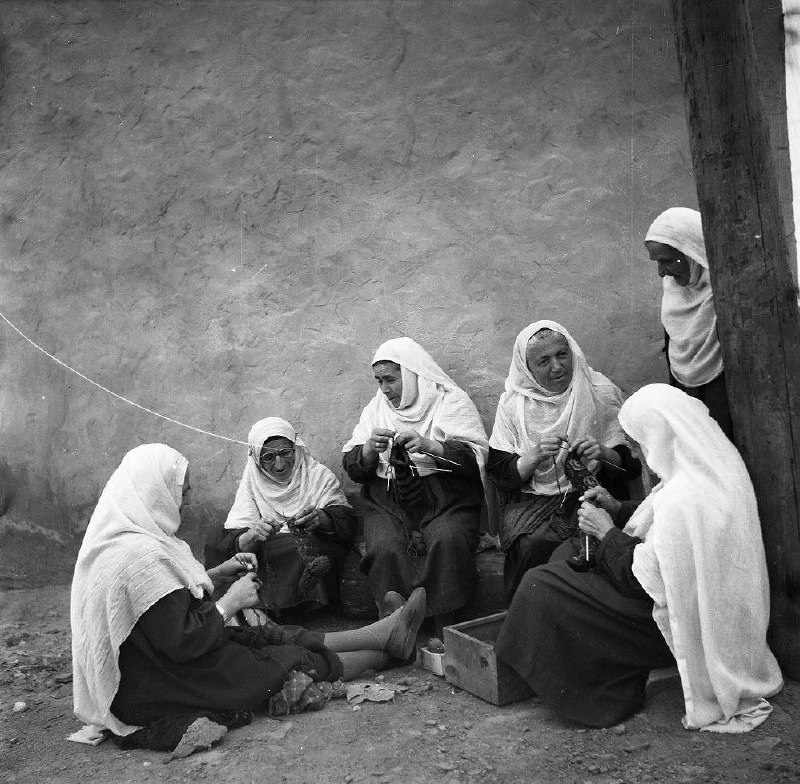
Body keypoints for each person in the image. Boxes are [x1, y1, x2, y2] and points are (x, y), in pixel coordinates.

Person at [70, 444, 426, 751]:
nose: (188, 499)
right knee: (286, 659)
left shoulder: (121, 542)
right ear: (154, 492)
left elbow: (160, 604)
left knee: (270, 637)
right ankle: (389, 650)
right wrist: (232, 601)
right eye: (182, 490)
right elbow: (183, 639)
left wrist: (217, 574)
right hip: (162, 683)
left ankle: (386, 634)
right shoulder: (141, 558)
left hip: (155, 669)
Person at [496, 384, 783, 731]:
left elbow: (644, 580)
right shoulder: (708, 469)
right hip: (694, 603)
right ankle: (582, 663)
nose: (638, 451)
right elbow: (666, 528)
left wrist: (607, 533)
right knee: (565, 553)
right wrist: (617, 508)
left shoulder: (685, 496)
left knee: (540, 585)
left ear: (661, 437)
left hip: (677, 622)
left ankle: (600, 693)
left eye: (639, 442)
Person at [342, 337, 488, 634]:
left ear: (411, 374)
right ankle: (395, 628)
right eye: (379, 381)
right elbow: (353, 466)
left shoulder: (450, 401)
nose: (385, 389)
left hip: (446, 499)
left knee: (447, 539)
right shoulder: (377, 409)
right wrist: (369, 450)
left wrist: (431, 446)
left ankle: (445, 627)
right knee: (384, 546)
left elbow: (475, 459)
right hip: (387, 501)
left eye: (391, 380)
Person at [487, 320, 640, 603]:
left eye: (562, 354)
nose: (557, 367)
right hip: (536, 500)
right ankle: (530, 611)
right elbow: (499, 472)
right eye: (543, 361)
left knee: (586, 545)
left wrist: (603, 453)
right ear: (527, 368)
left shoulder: (599, 391)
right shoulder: (513, 405)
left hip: (595, 493)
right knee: (531, 545)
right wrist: (532, 456)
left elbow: (630, 467)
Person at [205, 417, 357, 614]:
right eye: (268, 457)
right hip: (270, 548)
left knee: (305, 547)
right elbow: (236, 540)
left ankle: (282, 608)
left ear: (296, 448)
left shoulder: (319, 476)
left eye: (285, 452)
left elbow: (346, 524)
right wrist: (253, 534)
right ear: (257, 459)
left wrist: (320, 518)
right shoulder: (252, 483)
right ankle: (252, 606)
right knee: (216, 543)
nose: (279, 465)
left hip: (308, 545)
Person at [645, 207, 733, 439]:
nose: (661, 272)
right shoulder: (674, 296)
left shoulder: (728, 299)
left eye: (666, 261)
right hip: (689, 403)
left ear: (693, 253)